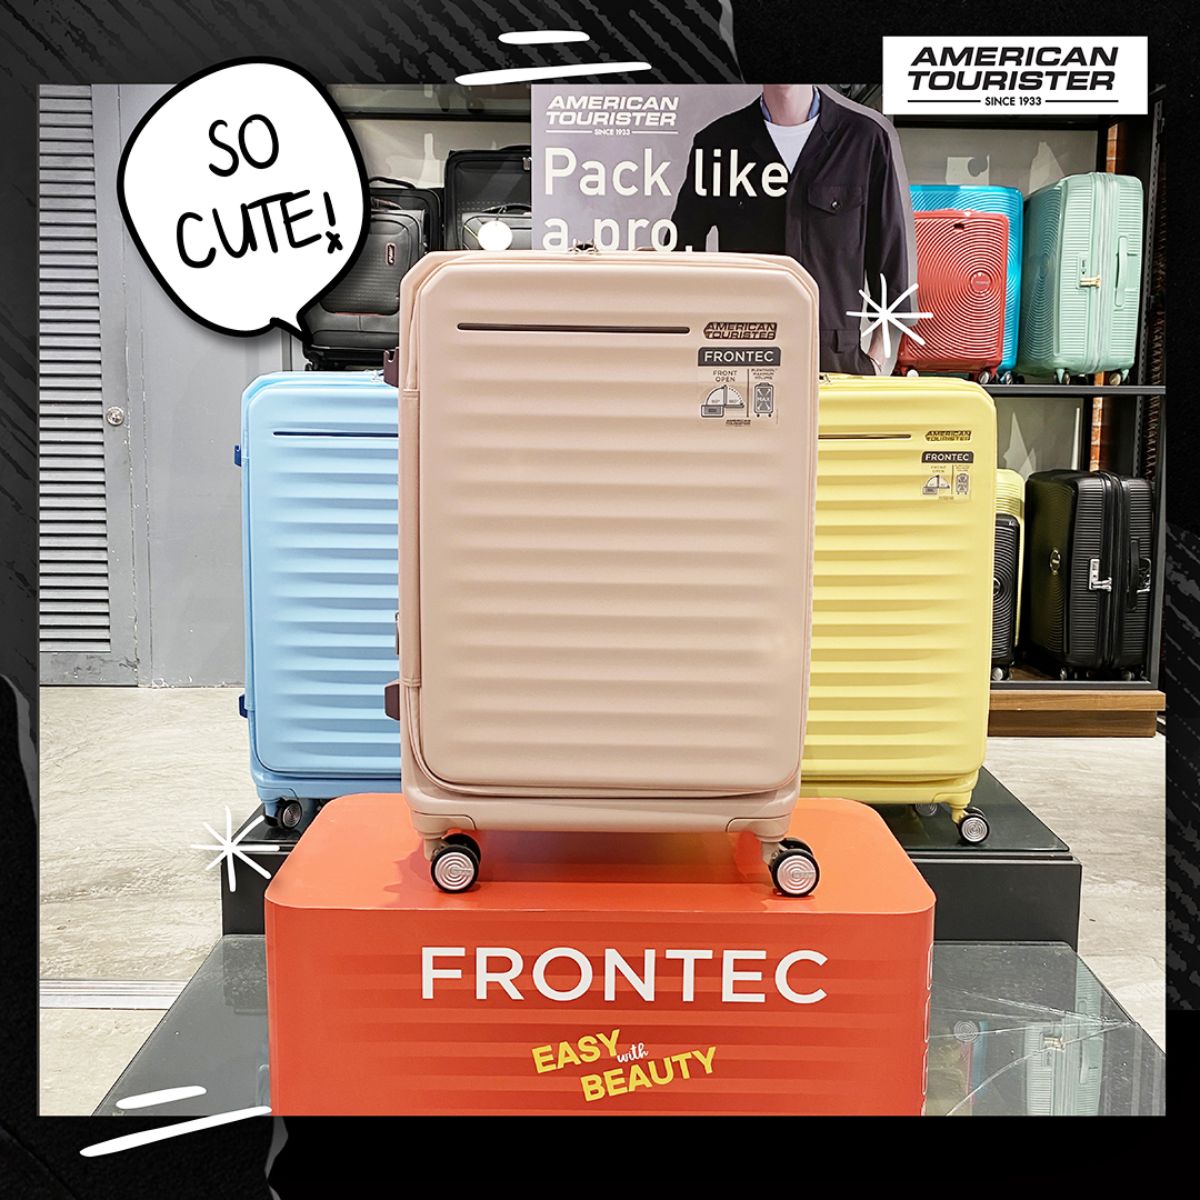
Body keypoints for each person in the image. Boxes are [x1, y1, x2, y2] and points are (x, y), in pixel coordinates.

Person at [670, 84, 915, 374]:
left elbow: (888, 253)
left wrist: (877, 360)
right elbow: (681, 255)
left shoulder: (863, 140)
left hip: (836, 362)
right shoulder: (718, 143)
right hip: (743, 357)